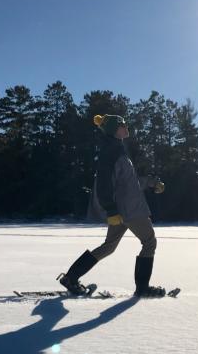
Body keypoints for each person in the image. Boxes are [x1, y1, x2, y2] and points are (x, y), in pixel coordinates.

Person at [57, 114, 167, 297]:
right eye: (122, 124)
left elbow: (128, 183)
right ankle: (142, 288)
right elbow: (104, 184)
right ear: (114, 130)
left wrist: (151, 183)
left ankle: (71, 277)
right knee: (149, 242)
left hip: (123, 210)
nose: (126, 126)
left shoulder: (116, 149)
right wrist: (111, 209)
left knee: (109, 247)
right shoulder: (112, 153)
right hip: (129, 210)